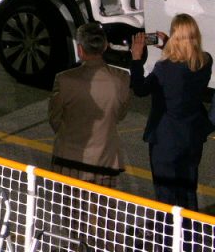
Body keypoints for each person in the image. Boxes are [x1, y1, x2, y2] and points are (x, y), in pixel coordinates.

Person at [130, 14, 213, 209]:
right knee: (187, 190)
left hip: (166, 139)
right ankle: (190, 234)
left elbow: (140, 89)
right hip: (192, 136)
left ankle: (166, 236)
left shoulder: (164, 69)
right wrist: (168, 45)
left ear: (175, 36)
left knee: (165, 194)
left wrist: (135, 59)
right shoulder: (205, 62)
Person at [49, 22, 130, 187]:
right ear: (105, 46)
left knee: (70, 210)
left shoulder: (64, 79)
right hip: (105, 160)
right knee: (101, 210)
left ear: (80, 49)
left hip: (69, 159)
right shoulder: (121, 78)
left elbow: (54, 118)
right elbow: (120, 114)